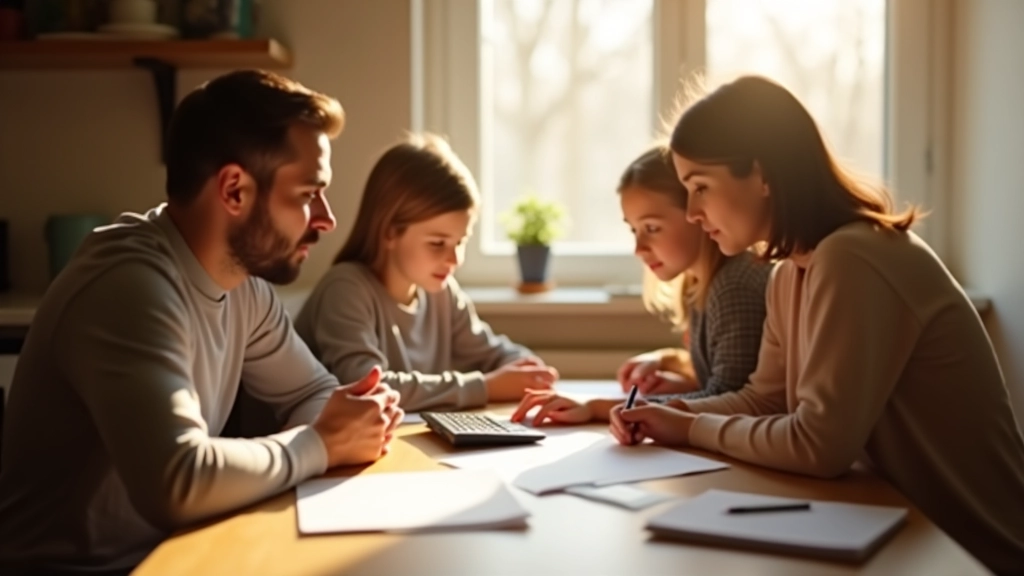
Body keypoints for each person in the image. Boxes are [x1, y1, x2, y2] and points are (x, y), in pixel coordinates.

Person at [609, 75, 1024, 574]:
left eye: (700, 187)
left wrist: (692, 427)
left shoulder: (855, 256)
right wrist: (667, 412)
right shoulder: (790, 274)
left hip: (973, 551)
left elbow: (818, 445)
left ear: (762, 175)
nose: (693, 213)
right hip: (906, 533)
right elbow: (765, 399)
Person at [0, 70, 402, 575]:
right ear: (234, 190)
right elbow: (178, 481)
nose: (326, 219)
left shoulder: (243, 285)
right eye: (306, 194)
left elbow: (313, 393)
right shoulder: (128, 285)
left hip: (173, 555)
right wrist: (320, 444)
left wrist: (334, 428)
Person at [294, 133, 557, 413]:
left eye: (461, 242)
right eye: (437, 243)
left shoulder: (443, 293)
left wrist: (530, 370)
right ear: (390, 232)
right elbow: (366, 386)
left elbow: (493, 352)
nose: (454, 258)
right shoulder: (345, 290)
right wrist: (487, 387)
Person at [511, 144, 770, 426]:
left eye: (652, 228)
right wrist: (671, 366)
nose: (639, 248)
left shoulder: (734, 287)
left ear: (697, 214)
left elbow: (730, 401)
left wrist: (598, 407)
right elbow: (722, 379)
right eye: (634, 230)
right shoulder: (700, 285)